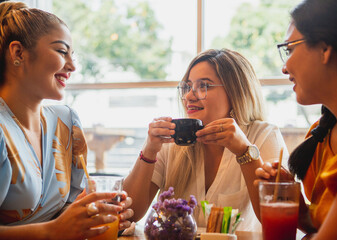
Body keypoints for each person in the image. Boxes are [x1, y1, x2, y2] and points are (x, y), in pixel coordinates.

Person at [0, 2, 133, 239]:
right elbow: (56, 228)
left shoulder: (66, 121)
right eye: (62, 52)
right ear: (18, 53)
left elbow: (65, 210)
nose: (72, 66)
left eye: (73, 55)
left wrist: (93, 214)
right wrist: (52, 231)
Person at [123, 48, 288, 231]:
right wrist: (149, 150)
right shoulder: (173, 142)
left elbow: (279, 218)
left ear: (235, 92)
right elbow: (129, 213)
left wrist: (244, 151)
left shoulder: (264, 136)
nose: (188, 96)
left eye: (204, 86)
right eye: (187, 87)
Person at [255, 0, 337, 239]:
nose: (284, 67)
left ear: (325, 49)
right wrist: (300, 210)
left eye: (289, 49)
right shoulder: (322, 134)